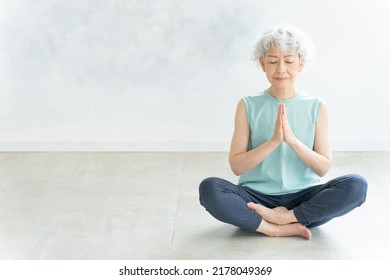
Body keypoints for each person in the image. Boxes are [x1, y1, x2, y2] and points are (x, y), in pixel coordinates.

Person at [198, 24, 367, 239]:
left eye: (288, 61)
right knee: (210, 188)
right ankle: (272, 227)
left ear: (300, 64)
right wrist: (274, 141)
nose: (280, 69)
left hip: (305, 199)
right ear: (262, 64)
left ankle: (285, 218)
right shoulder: (247, 105)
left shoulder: (316, 106)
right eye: (272, 61)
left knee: (357, 185)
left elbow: (323, 167)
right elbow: (237, 166)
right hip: (256, 198)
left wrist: (293, 141)